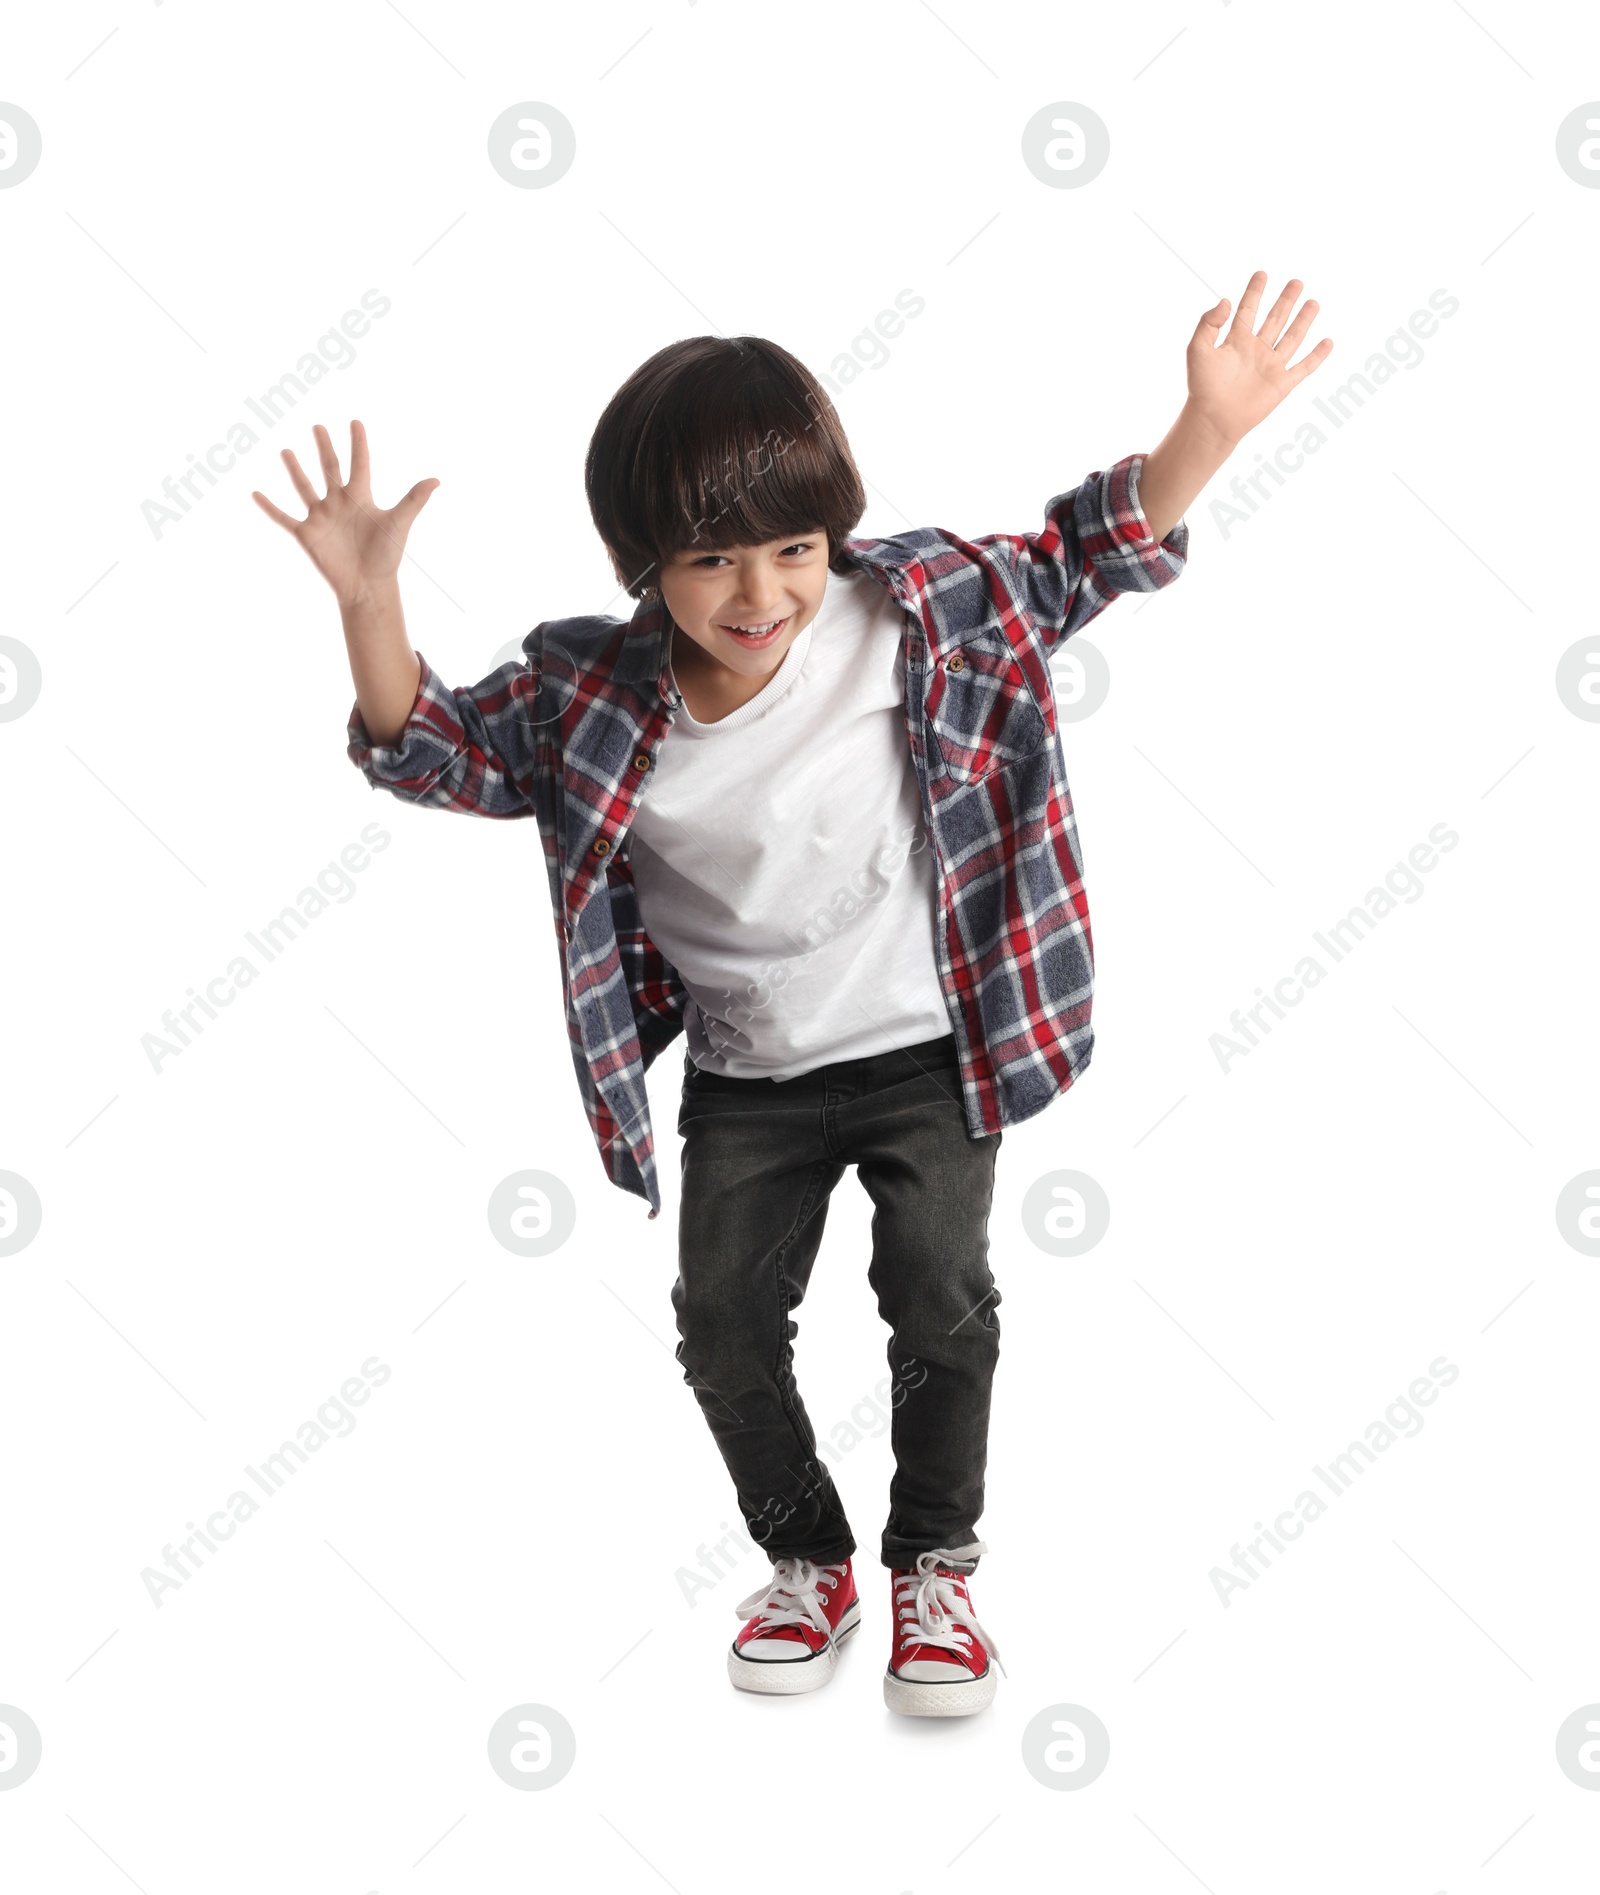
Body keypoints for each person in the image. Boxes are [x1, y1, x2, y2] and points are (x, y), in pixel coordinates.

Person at [253, 272, 1331, 1717]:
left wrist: (1205, 428)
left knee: (939, 1302)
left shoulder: (922, 610)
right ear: (645, 563)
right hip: (750, 1082)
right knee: (721, 1326)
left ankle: (934, 1568)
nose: (759, 596)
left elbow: (1091, 551)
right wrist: (373, 605)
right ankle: (807, 1560)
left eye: (793, 549)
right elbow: (433, 750)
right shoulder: (592, 692)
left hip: (931, 1056)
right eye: (711, 563)